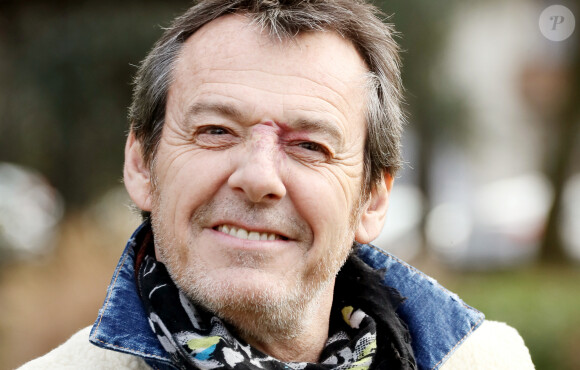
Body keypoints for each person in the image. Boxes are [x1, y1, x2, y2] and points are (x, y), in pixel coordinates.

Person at [19, 0, 535, 369]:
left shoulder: (488, 361)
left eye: (310, 145)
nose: (259, 178)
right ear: (141, 165)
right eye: (215, 131)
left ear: (373, 198)